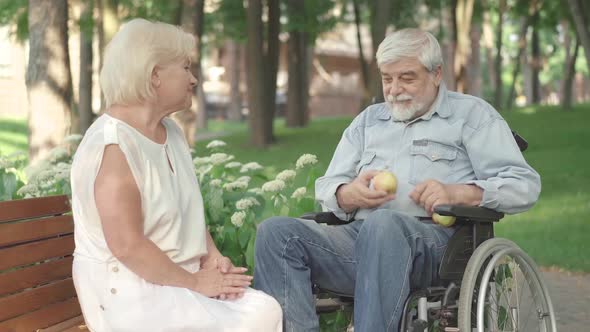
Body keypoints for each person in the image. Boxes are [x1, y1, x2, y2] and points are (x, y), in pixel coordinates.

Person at [253, 28, 541, 331]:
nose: (394, 89)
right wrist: (346, 194)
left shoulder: (471, 116)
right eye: (387, 79)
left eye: (407, 78)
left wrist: (459, 193)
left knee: (384, 224)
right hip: (358, 241)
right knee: (277, 232)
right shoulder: (368, 121)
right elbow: (328, 185)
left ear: (437, 73)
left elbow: (524, 185)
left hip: (437, 247)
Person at [70, 18, 281, 332]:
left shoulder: (171, 131)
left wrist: (211, 256)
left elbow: (186, 208)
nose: (193, 79)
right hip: (128, 291)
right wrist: (196, 282)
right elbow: (128, 247)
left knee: (265, 309)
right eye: (185, 68)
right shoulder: (113, 146)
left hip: (175, 280)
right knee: (250, 321)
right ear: (154, 75)